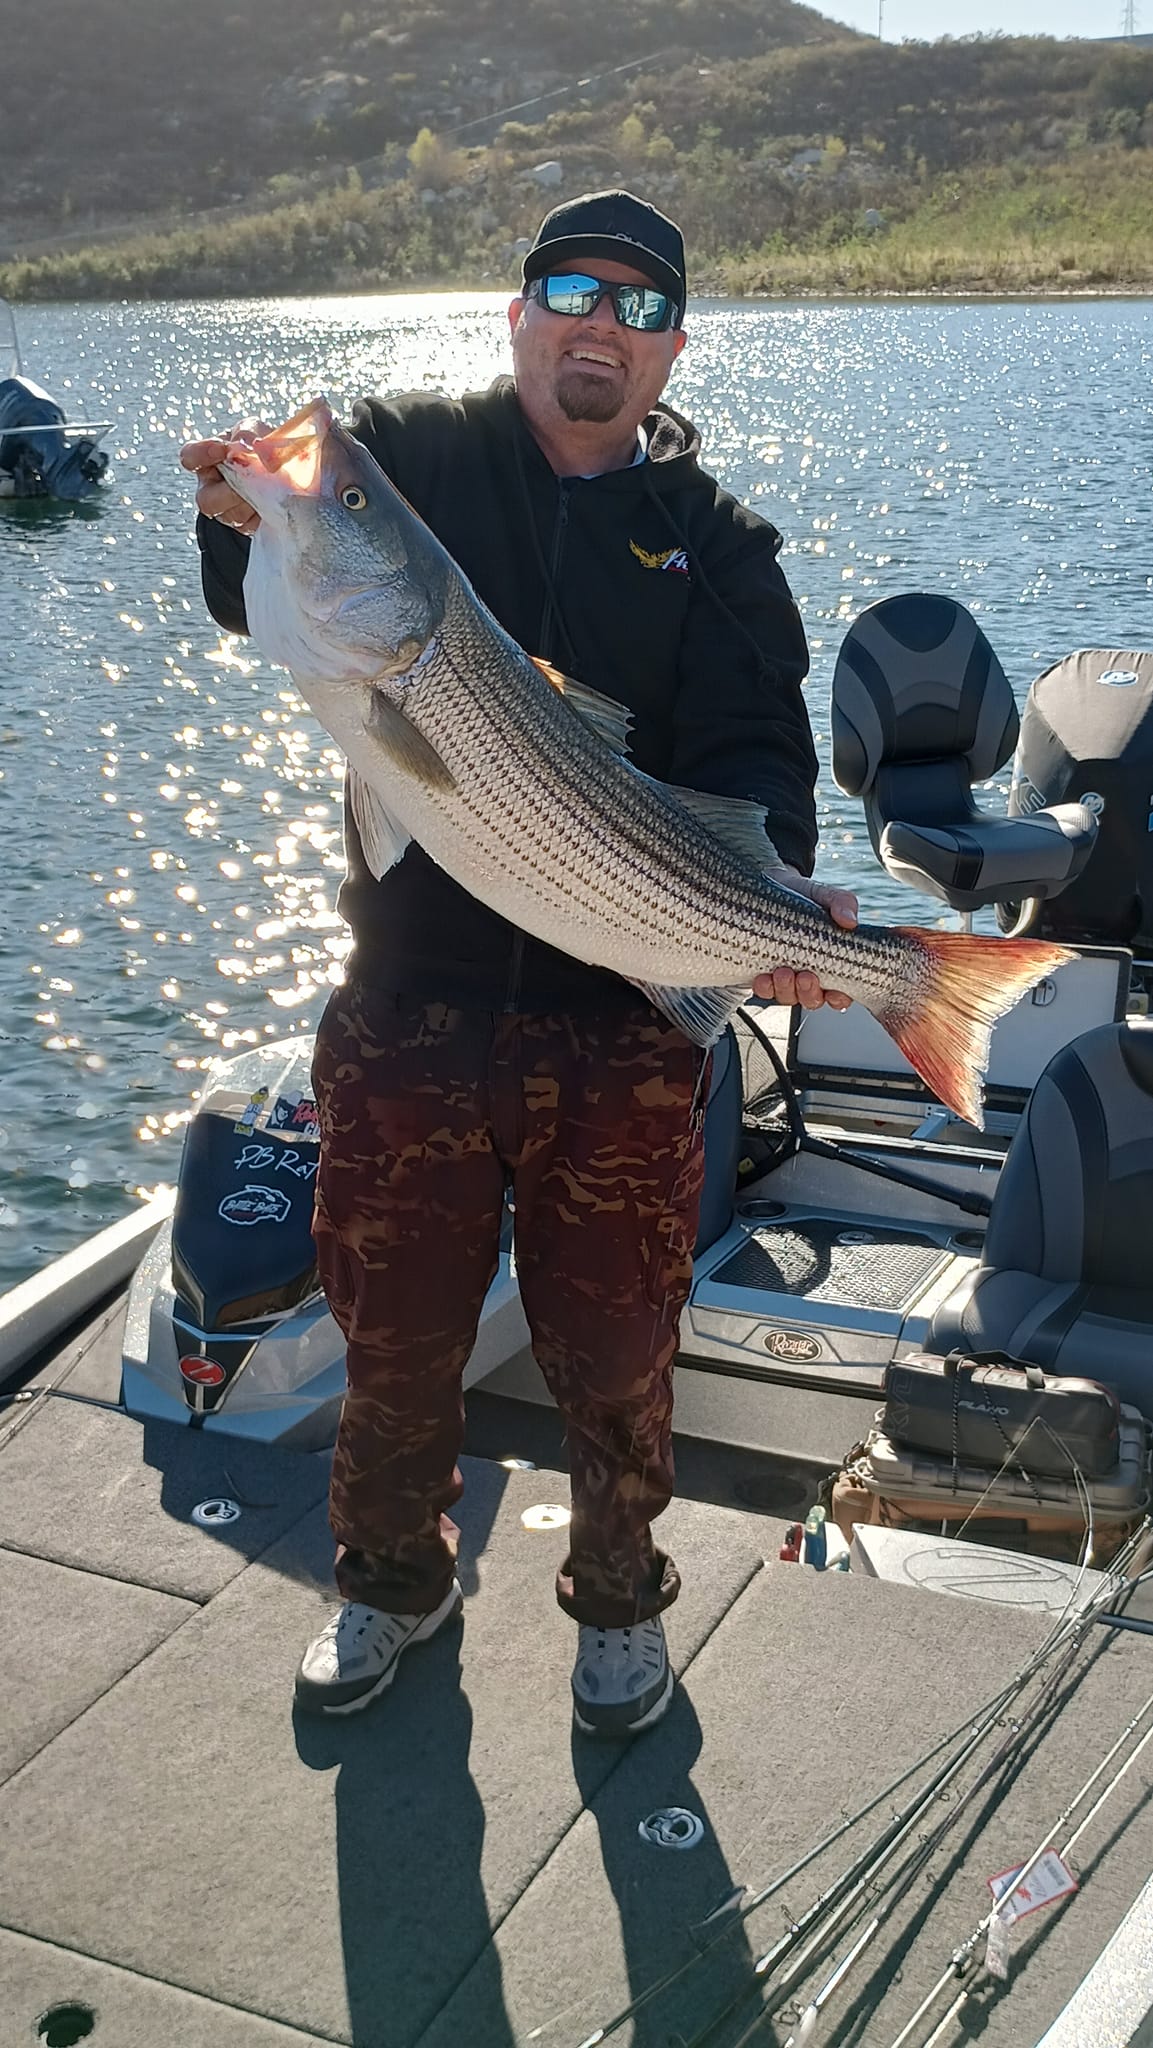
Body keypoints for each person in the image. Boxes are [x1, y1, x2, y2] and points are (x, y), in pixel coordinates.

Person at [181, 189, 858, 1739]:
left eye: (634, 305)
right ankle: (389, 1583)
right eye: (568, 288)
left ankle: (619, 1609)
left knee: (618, 1354)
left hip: (620, 1023)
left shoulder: (719, 547)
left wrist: (769, 912)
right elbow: (261, 591)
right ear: (518, 312)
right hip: (406, 1015)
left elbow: (755, 755)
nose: (596, 325)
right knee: (392, 1332)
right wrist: (247, 508)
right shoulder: (406, 457)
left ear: (672, 347)